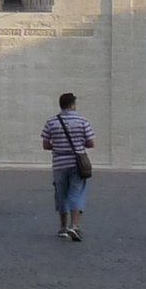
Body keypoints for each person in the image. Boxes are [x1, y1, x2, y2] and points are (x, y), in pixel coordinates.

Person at [42, 92, 95, 241]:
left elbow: (46, 145)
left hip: (59, 162)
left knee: (61, 193)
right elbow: (91, 142)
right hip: (77, 163)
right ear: (73, 105)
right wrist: (78, 144)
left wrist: (59, 146)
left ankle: (63, 227)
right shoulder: (82, 121)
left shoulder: (52, 121)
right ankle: (74, 226)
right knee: (76, 192)